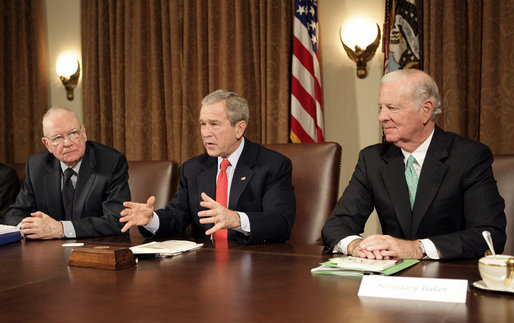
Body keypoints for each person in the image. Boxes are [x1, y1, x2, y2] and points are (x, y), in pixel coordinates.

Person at [322, 69, 506, 260]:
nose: (382, 117)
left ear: (426, 110)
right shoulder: (372, 159)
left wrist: (417, 248)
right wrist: (357, 245)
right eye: (381, 108)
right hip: (389, 278)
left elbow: (489, 235)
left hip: (449, 278)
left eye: (392, 108)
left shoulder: (469, 156)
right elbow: (336, 224)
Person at [120, 89, 296, 244]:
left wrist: (236, 219)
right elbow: (176, 217)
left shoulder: (272, 165)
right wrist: (151, 219)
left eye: (214, 124)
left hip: (255, 264)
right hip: (204, 266)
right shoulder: (193, 168)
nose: (206, 133)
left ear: (239, 129)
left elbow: (281, 222)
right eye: (203, 124)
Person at [5, 107, 131, 239]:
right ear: (47, 144)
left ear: (84, 133)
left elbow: (117, 221)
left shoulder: (111, 162)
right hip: (48, 252)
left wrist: (61, 229)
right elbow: (15, 213)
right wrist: (28, 228)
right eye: (58, 137)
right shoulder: (37, 166)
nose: (67, 143)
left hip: (95, 248)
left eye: (73, 133)